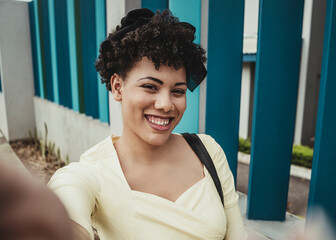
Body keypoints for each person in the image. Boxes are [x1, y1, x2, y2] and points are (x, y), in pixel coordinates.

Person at [48, 8, 247, 240]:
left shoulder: (207, 151)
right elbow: (65, 206)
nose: (165, 104)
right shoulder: (93, 173)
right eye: (150, 87)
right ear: (118, 87)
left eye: (178, 91)